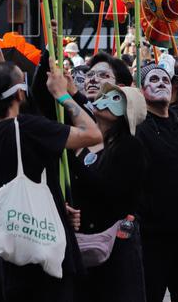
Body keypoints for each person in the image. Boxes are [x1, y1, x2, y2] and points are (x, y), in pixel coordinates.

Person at [0, 61, 102, 301]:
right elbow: (92, 133)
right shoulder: (26, 128)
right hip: (42, 257)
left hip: (10, 253)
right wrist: (62, 94)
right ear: (20, 92)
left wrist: (57, 210)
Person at [69, 82, 148, 302]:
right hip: (85, 242)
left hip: (116, 245)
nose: (105, 100)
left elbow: (109, 191)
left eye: (116, 99)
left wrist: (71, 163)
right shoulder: (84, 142)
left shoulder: (129, 147)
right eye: (106, 95)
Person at [135, 56, 178, 302]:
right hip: (151, 237)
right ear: (141, 90)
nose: (162, 83)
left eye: (166, 79)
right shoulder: (137, 128)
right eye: (153, 79)